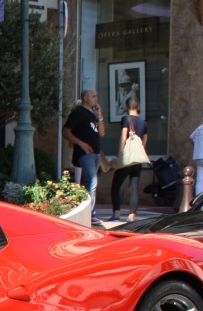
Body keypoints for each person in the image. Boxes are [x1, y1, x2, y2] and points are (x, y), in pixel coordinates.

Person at [63, 88, 103, 224]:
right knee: (92, 182)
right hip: (85, 154)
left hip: (96, 154)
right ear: (85, 98)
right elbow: (66, 131)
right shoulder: (78, 113)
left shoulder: (92, 114)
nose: (96, 99)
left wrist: (100, 115)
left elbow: (102, 133)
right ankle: (90, 214)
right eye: (93, 96)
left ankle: (88, 212)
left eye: (96, 96)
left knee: (90, 184)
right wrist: (81, 144)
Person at [111, 98, 147, 221]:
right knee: (134, 187)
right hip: (137, 159)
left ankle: (116, 214)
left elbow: (123, 136)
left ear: (126, 107)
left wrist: (119, 154)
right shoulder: (143, 122)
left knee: (115, 186)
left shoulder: (126, 119)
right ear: (138, 106)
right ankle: (132, 215)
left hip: (126, 158)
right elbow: (144, 141)